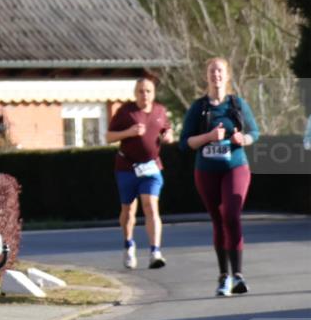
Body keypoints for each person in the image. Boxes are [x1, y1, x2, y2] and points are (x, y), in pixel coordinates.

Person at [180, 57, 259, 297]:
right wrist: (209, 137)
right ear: (207, 76)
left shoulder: (237, 104)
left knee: (232, 214)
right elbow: (185, 143)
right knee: (218, 220)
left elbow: (254, 132)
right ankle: (223, 277)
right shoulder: (199, 107)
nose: (216, 75)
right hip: (206, 171)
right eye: (212, 71)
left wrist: (242, 139)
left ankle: (238, 275)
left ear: (227, 75)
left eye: (220, 71)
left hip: (235, 166)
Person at [105, 76, 174, 269]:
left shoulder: (160, 111)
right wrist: (129, 132)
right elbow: (109, 137)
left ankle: (155, 251)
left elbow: (167, 130)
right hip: (127, 167)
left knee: (151, 205)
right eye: (141, 91)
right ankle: (129, 245)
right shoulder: (125, 112)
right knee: (128, 210)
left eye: (148, 91)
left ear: (153, 93)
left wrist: (168, 135)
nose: (145, 95)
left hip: (151, 168)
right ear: (135, 93)